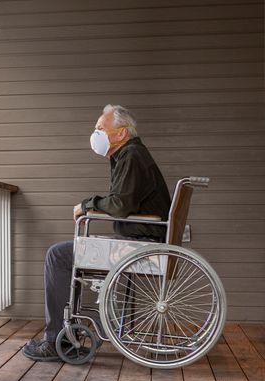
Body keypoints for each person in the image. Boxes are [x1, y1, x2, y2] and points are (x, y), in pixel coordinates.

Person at [22, 104, 172, 362]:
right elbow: (122, 202)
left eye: (101, 129)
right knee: (65, 253)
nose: (96, 134)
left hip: (139, 246)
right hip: (140, 240)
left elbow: (120, 205)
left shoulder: (132, 156)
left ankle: (56, 341)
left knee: (58, 256)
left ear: (121, 134)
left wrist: (86, 205)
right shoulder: (128, 155)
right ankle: (65, 336)